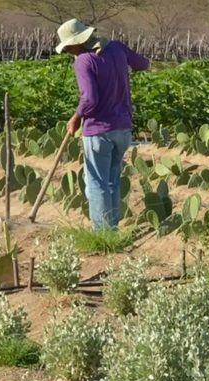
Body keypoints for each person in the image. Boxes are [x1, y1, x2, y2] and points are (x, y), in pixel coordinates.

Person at [56, 18, 150, 230]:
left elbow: (90, 99)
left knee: (97, 183)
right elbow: (143, 64)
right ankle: (112, 228)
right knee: (112, 180)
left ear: (78, 42)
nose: (69, 51)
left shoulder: (83, 60)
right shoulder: (116, 47)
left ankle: (102, 233)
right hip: (123, 129)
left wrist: (75, 118)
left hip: (98, 130)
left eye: (69, 47)